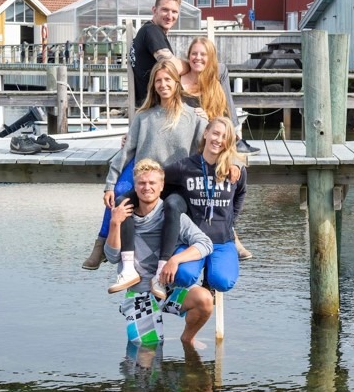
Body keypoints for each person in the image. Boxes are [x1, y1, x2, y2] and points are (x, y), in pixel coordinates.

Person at [83, 60, 207, 286]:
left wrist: (232, 165)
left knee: (171, 206)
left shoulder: (194, 117)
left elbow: (209, 151)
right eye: (158, 81)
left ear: (177, 82)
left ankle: (162, 269)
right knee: (122, 202)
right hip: (146, 185)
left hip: (176, 187)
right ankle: (128, 268)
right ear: (153, 86)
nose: (163, 84)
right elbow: (125, 153)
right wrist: (110, 184)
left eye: (168, 79)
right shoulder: (143, 117)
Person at [131, 0, 259, 154]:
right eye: (165, 10)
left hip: (160, 97)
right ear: (154, 10)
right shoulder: (151, 31)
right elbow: (173, 68)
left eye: (174, 12)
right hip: (158, 101)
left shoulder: (150, 32)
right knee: (219, 69)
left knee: (209, 78)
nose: (170, 16)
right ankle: (233, 134)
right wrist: (193, 65)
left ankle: (223, 128)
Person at [105, 158, 214, 348]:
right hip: (139, 294)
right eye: (142, 183)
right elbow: (112, 257)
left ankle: (187, 339)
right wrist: (114, 224)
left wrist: (175, 260)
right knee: (146, 358)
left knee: (205, 300)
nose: (147, 187)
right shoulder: (122, 214)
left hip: (168, 289)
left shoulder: (173, 215)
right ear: (135, 185)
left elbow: (205, 244)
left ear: (162, 185)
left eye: (152, 183)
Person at [180, 38, 254, 260]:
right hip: (186, 144)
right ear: (188, 55)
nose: (198, 58)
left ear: (210, 58)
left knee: (229, 179)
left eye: (203, 54)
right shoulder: (179, 81)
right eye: (194, 53)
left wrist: (209, 118)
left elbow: (225, 118)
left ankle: (230, 231)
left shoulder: (214, 84)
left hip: (211, 144)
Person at [161, 117, 247, 293]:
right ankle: (183, 297)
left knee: (222, 281)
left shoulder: (235, 170)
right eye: (215, 133)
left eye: (224, 137)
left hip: (222, 240)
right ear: (206, 133)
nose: (218, 140)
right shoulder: (185, 167)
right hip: (194, 240)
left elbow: (240, 194)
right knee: (182, 276)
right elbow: (158, 182)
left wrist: (231, 221)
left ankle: (209, 280)